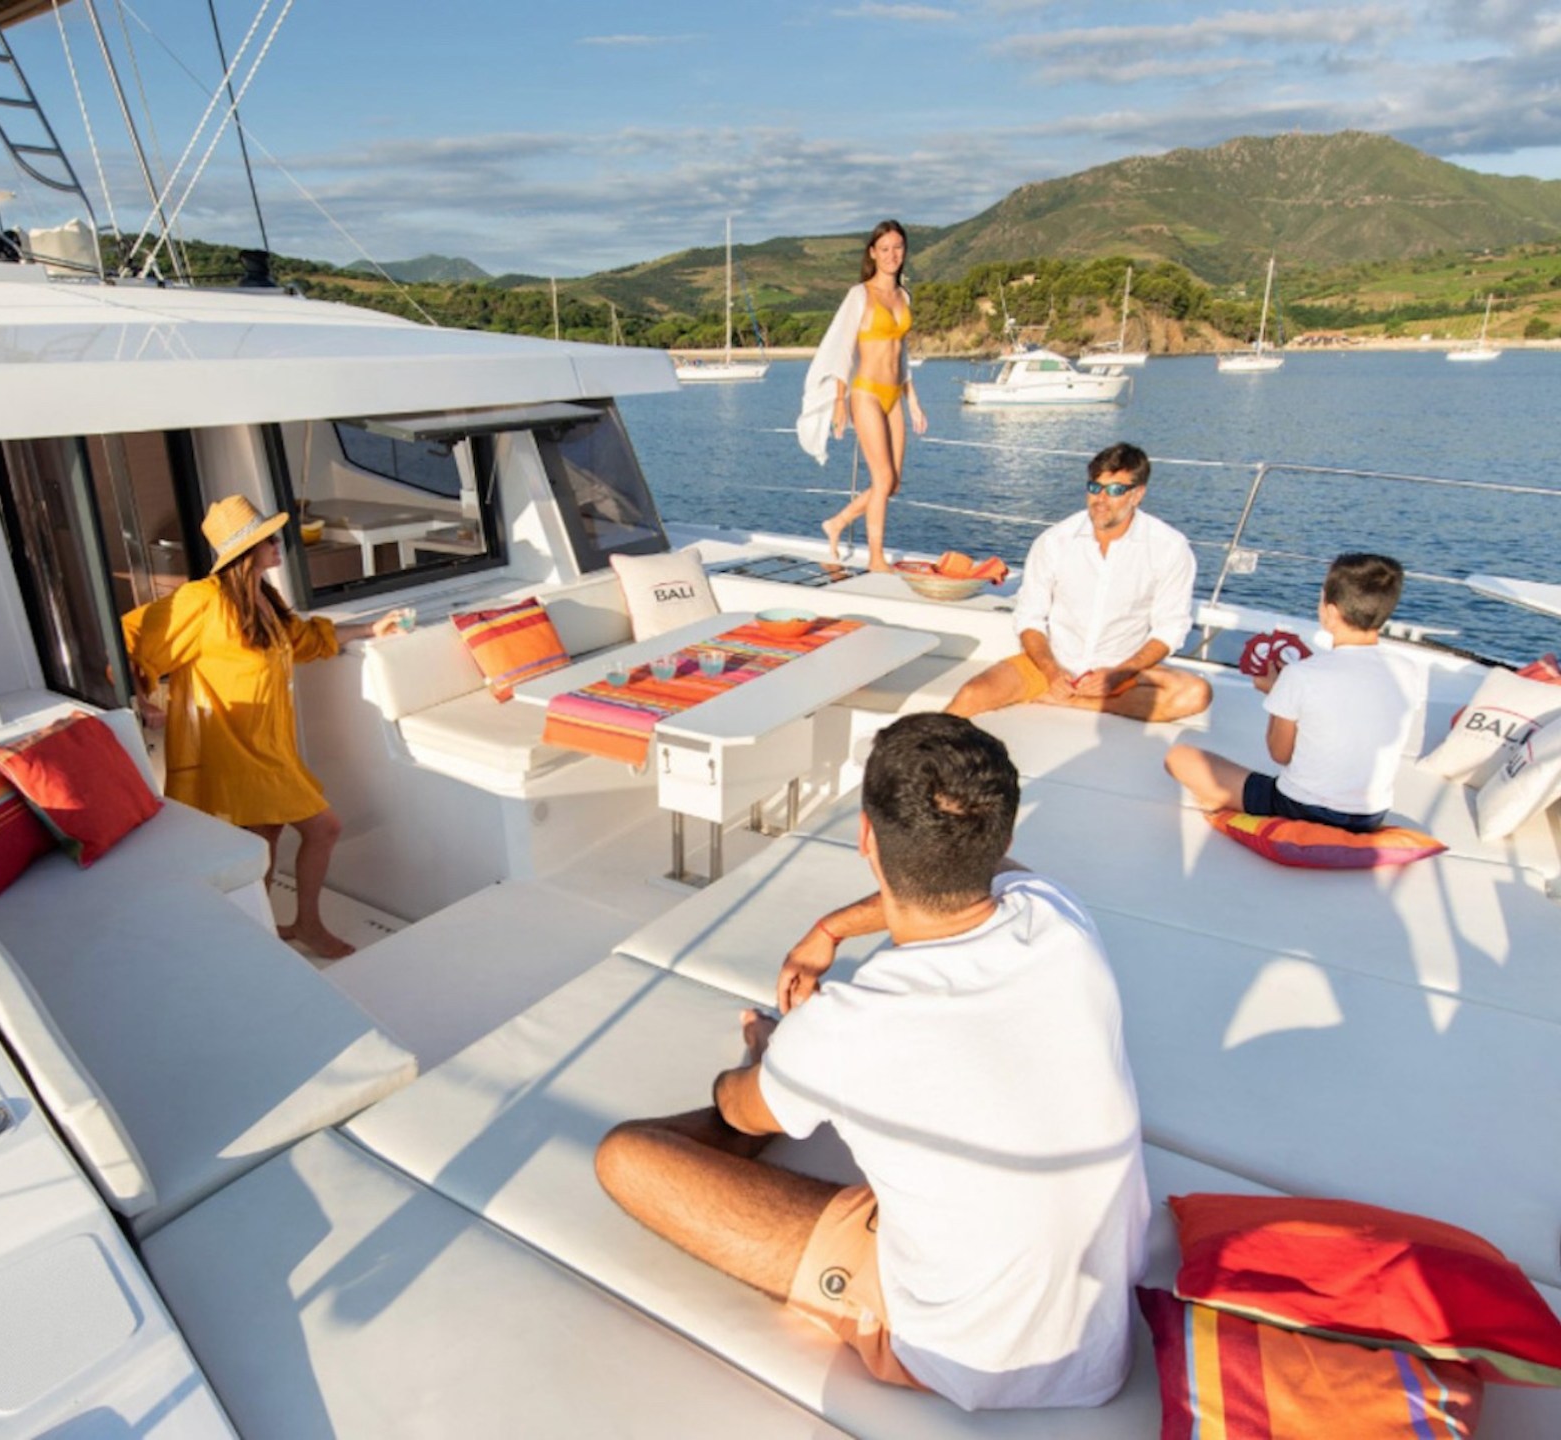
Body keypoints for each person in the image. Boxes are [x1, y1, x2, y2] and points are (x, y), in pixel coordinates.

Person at [594, 714, 1149, 1411]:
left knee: (627, 1156)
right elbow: (1000, 877)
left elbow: (735, 1106)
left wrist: (772, 1059)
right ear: (1003, 837)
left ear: (865, 839)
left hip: (966, 1350)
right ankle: (801, 1088)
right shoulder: (1058, 917)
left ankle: (795, 1090)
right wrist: (832, 929)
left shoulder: (854, 1024)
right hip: (1098, 1330)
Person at [123, 495, 408, 959]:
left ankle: (260, 931)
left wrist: (372, 629)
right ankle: (307, 925)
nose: (279, 544)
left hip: (270, 746)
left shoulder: (263, 596)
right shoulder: (203, 600)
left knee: (266, 838)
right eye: (268, 538)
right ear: (245, 549)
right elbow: (132, 639)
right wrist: (145, 700)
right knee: (325, 828)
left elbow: (301, 640)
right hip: (234, 747)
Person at [946, 442, 1210, 722]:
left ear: (1137, 494)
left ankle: (1076, 702)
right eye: (1095, 488)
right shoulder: (1055, 541)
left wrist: (1119, 673)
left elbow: (1169, 628)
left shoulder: (1168, 547)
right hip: (1052, 665)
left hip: (1121, 672)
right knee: (971, 694)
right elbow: (1029, 618)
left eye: (1116, 490)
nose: (1101, 499)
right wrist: (1051, 671)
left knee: (1196, 693)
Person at [1165, 552, 1425, 831]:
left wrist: (1277, 694)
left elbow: (1280, 753)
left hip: (1299, 808)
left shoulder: (1301, 675)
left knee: (1179, 758)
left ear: (1331, 611)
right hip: (1370, 816)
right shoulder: (1410, 671)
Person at [797, 219, 929, 573]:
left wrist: (912, 399)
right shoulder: (860, 295)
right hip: (866, 393)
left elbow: (901, 353)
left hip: (894, 395)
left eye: (897, 248)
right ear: (873, 252)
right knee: (882, 479)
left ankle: (838, 522)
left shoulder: (904, 296)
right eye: (884, 249)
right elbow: (842, 348)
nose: (892, 255)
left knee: (893, 483)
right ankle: (875, 559)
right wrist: (840, 401)